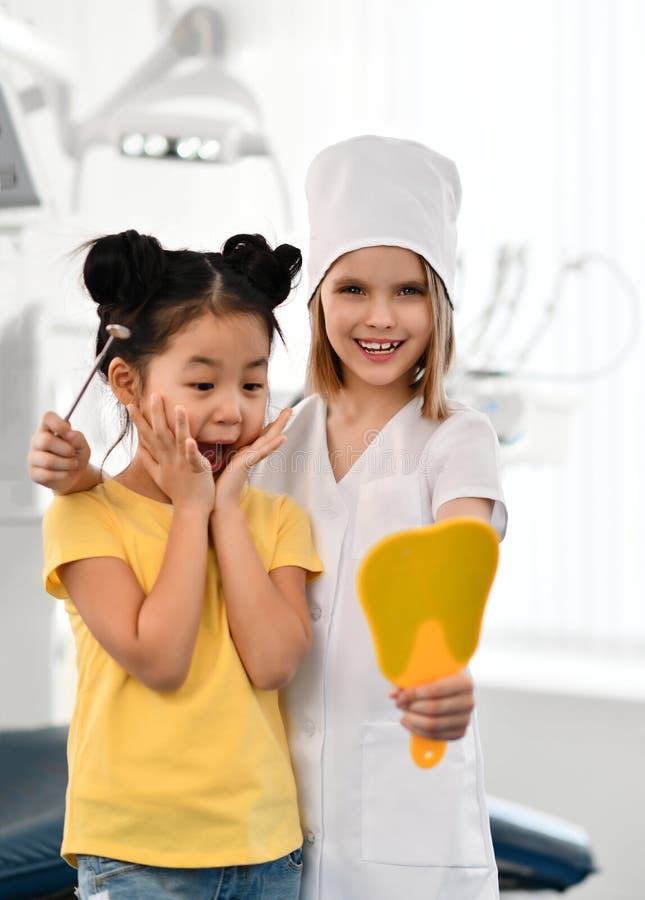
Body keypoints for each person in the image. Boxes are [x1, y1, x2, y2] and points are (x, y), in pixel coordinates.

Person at [30, 136, 507, 900]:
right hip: (277, 822)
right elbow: (176, 509)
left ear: (440, 302)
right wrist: (87, 477)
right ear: (316, 296)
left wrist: (441, 662)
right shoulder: (273, 439)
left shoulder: (456, 440)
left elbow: (459, 554)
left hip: (387, 811)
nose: (379, 316)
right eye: (351, 288)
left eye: (409, 291)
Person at [36, 230, 322, 900]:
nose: (232, 410)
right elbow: (161, 659)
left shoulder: (275, 521)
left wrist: (224, 512)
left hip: (265, 850)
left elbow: (274, 662)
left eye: (253, 383)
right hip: (138, 858)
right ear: (127, 383)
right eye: (202, 383)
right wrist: (192, 513)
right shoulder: (87, 515)